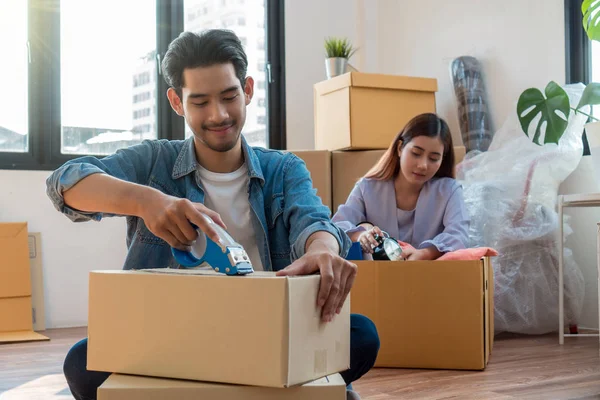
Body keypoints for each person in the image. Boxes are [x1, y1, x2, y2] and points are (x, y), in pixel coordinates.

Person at [46, 29, 378, 400]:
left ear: (248, 90)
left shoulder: (284, 169)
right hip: (170, 338)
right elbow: (65, 184)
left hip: (262, 331)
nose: (218, 115)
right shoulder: (155, 161)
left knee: (361, 334)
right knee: (81, 362)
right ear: (176, 102)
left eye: (229, 96)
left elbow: (314, 223)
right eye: (200, 102)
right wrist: (148, 202)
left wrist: (323, 250)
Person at [332, 113, 469, 260]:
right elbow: (337, 227)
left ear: (442, 160)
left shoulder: (449, 191)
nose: (423, 165)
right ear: (399, 148)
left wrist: (425, 253)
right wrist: (361, 235)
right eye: (416, 153)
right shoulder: (367, 188)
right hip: (377, 278)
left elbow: (459, 235)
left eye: (433, 158)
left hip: (430, 277)